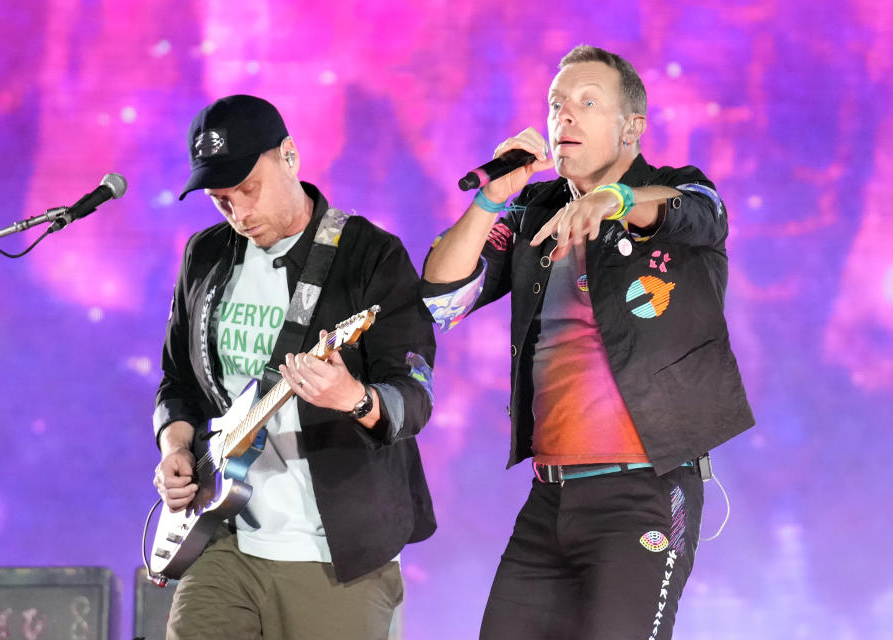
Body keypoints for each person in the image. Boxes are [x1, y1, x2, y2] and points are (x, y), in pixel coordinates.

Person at [421, 45, 754, 639]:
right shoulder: (534, 212)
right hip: (549, 499)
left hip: (644, 494)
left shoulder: (676, 191)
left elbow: (705, 213)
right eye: (556, 104)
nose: (564, 116)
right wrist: (495, 196)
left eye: (586, 102)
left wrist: (617, 199)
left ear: (631, 127)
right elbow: (442, 299)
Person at [152, 94, 437, 640]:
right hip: (226, 534)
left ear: (290, 156)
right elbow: (178, 382)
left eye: (248, 189)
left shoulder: (369, 254)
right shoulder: (205, 256)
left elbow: (415, 392)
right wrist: (175, 449)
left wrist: (355, 398)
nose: (239, 213)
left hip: (336, 551)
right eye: (221, 200)